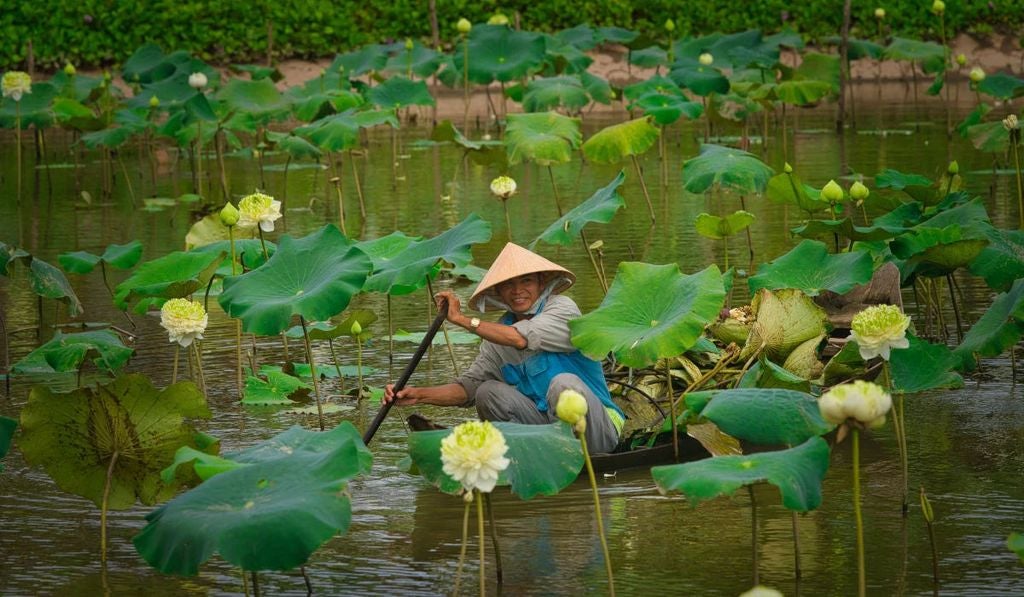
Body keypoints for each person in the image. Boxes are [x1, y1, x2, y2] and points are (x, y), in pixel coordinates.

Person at [384, 242, 624, 453]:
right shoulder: (497, 335)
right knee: (487, 391)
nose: (517, 290)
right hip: (549, 435)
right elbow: (468, 389)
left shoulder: (562, 309)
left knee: (564, 386)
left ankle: (570, 456)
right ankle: (534, 456)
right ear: (498, 292)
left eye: (526, 280)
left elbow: (520, 338)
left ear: (541, 282)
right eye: (508, 284)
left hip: (596, 430)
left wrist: (462, 320)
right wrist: (418, 394)